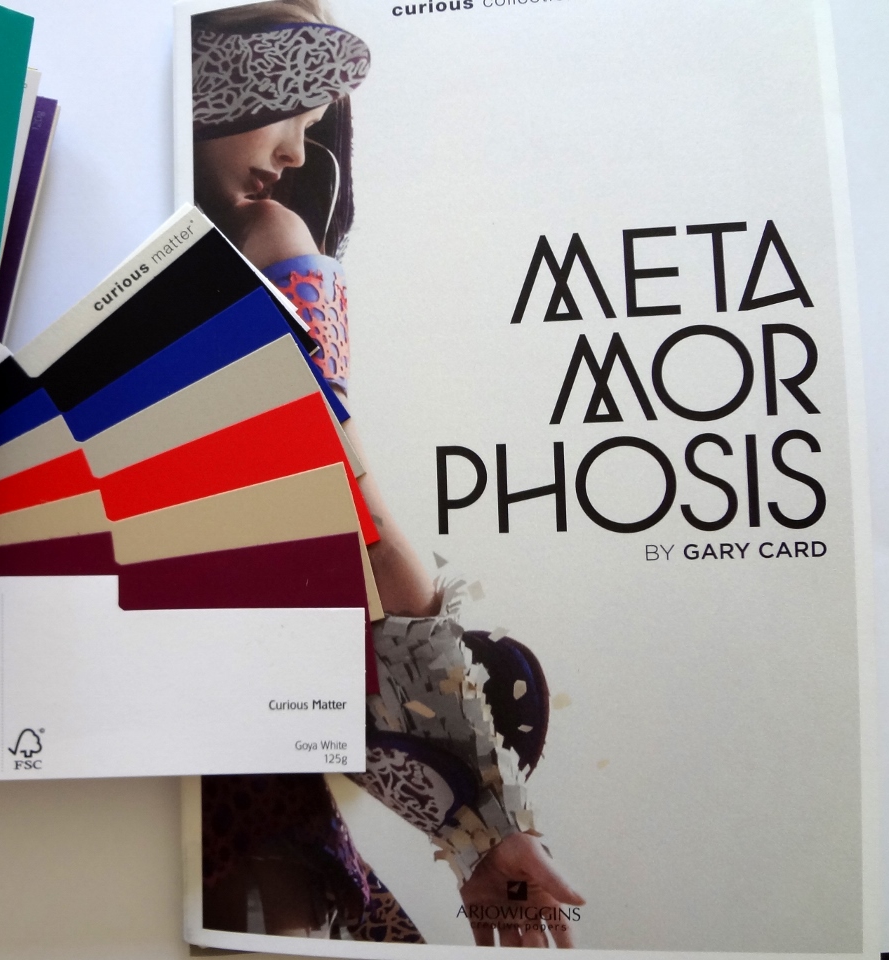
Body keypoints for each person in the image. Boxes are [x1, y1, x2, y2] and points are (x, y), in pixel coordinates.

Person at [192, 1, 584, 946]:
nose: (296, 152)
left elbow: (350, 503)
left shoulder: (270, 239)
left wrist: (486, 827)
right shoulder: (251, 233)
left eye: (314, 124)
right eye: (292, 104)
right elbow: (355, 516)